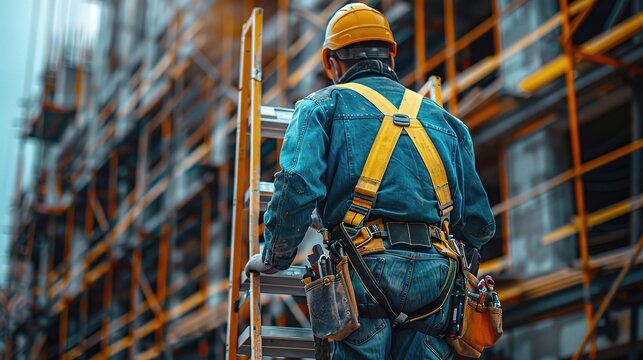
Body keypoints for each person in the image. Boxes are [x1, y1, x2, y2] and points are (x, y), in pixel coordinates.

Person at [244, 3, 495, 359]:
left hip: (362, 274)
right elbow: (479, 224)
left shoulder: (321, 106)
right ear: (391, 57)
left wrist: (275, 257)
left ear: (332, 62)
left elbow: (297, 186)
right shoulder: (447, 123)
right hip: (438, 279)